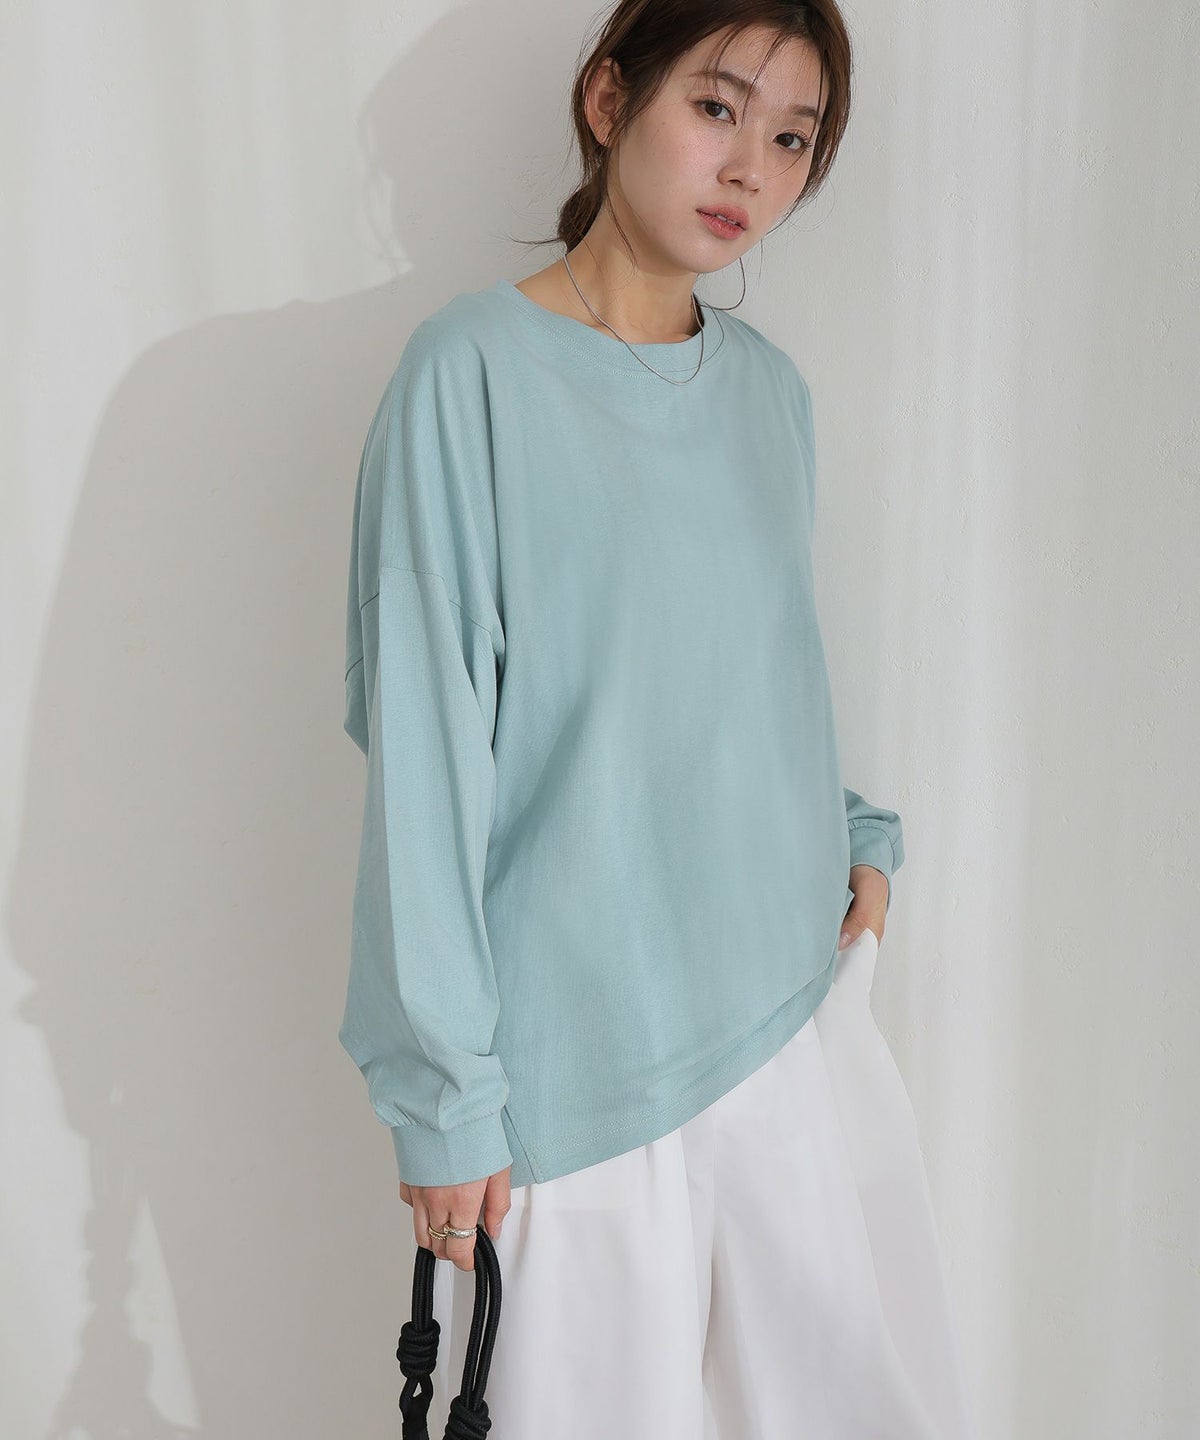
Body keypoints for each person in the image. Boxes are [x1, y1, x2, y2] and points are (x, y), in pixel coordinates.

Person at [339, 3, 978, 1435]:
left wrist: (857, 843)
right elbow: (427, 765)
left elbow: (738, 690)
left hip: (791, 1032)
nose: (751, 166)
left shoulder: (770, 398)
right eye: (718, 106)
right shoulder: (470, 373)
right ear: (607, 100)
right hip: (577, 1082)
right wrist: (445, 1100)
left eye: (795, 137)